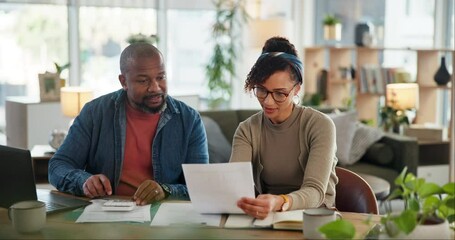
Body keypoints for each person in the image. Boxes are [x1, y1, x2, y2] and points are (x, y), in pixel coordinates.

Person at [48, 42, 209, 205]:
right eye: (143, 81)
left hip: (163, 214)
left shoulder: (189, 120)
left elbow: (201, 185)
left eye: (161, 77)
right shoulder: (95, 113)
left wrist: (166, 190)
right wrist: (84, 181)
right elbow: (58, 166)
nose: (155, 88)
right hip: (106, 213)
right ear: (123, 81)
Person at [230, 37, 338, 219]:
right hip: (268, 216)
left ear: (297, 89)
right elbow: (234, 185)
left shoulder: (320, 125)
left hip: (316, 216)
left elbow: (315, 192)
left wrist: (279, 202)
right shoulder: (247, 130)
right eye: (261, 90)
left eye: (280, 93)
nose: (267, 101)